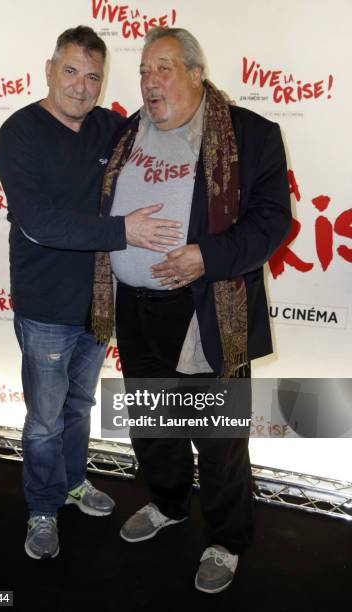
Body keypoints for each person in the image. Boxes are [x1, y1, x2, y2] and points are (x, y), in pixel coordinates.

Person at [92, 27, 291, 593]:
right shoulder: (130, 131)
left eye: (163, 70)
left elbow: (272, 222)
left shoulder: (250, 136)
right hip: (135, 309)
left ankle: (227, 540)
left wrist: (207, 256)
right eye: (143, 71)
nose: (149, 82)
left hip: (204, 308)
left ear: (196, 74)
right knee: (154, 425)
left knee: (219, 439)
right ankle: (168, 504)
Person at [0, 25, 183, 560]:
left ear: (103, 82)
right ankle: (42, 506)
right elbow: (39, 223)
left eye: (92, 76)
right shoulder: (20, 133)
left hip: (100, 304)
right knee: (45, 418)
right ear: (49, 69)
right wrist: (125, 230)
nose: (80, 86)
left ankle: (74, 483)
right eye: (71, 71)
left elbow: (166, 133)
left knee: (78, 407)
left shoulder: (111, 128)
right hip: (46, 307)